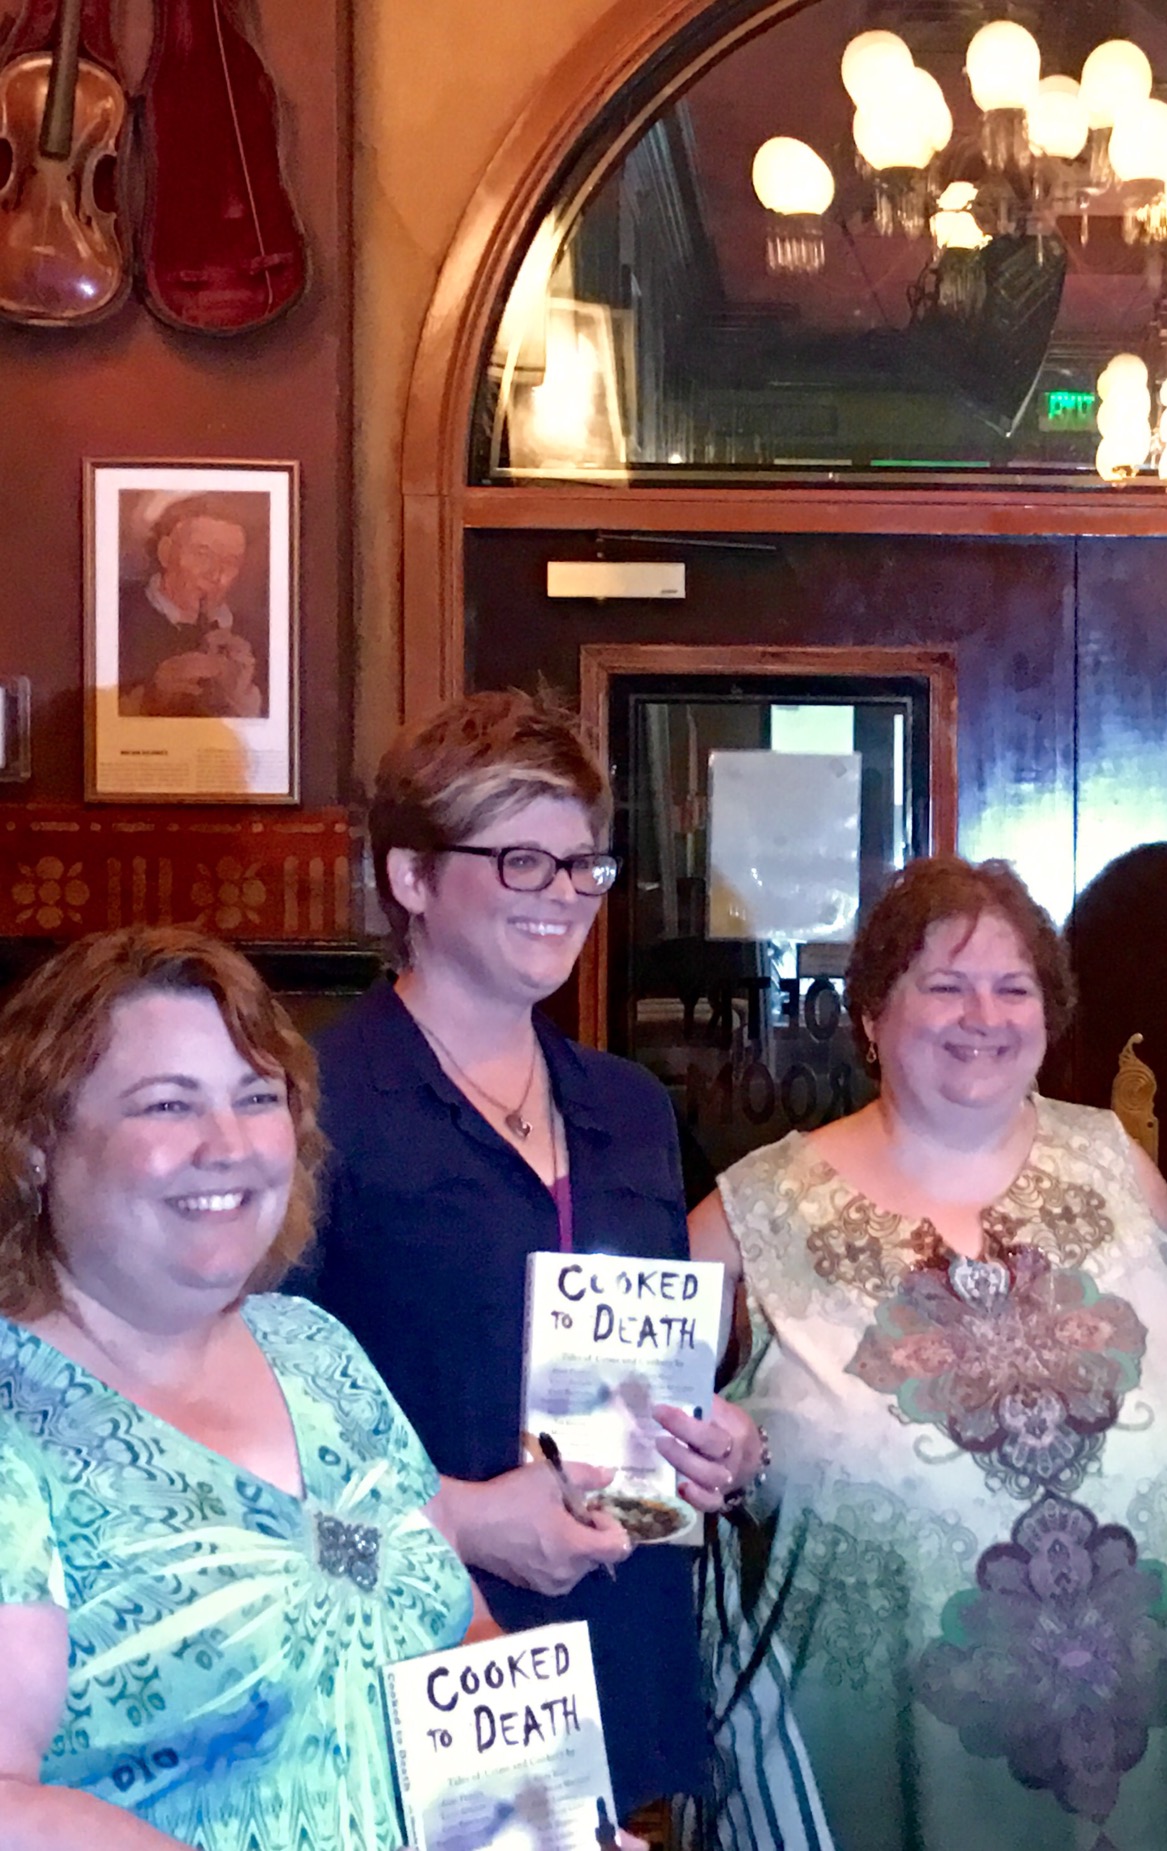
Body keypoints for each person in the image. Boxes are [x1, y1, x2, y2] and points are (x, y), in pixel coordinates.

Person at [690, 854, 1167, 1851]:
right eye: (944, 985)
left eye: (1013, 988)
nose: (983, 1016)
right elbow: (631, 1468)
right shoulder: (750, 1217)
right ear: (871, 1014)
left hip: (1139, 1783)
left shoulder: (1122, 1171)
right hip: (856, 1775)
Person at [295, 689, 759, 1835]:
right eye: (520, 862)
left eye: (583, 865)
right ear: (411, 877)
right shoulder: (304, 1109)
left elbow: (646, 1377)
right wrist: (453, 1518)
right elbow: (226, 1453)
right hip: (416, 1679)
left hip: (625, 1668)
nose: (562, 895)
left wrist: (718, 1445)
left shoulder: (630, 1108)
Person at [0, 927, 473, 1849]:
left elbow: (446, 1623)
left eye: (257, 1097)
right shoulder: (19, 1417)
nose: (228, 1144)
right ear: (38, 1144)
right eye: (167, 1104)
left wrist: (546, 1811)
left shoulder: (315, 1351)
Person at [117, 495, 266, 719]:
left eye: (230, 562)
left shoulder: (256, 637)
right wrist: (151, 697)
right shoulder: (118, 615)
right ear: (165, 553)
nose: (215, 574)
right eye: (202, 555)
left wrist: (242, 699)